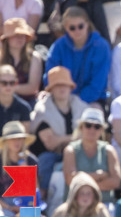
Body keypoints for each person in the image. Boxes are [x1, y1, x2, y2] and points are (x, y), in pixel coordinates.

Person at [32, 67, 88, 196]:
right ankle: (43, 195)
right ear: (51, 89)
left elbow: (89, 137)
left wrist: (61, 139)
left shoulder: (81, 106)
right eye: (57, 85)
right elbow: (51, 143)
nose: (62, 88)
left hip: (77, 152)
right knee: (46, 159)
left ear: (70, 87)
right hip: (51, 154)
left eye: (65, 84)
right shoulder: (42, 110)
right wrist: (75, 137)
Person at [44, 7, 111, 105]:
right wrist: (66, 100)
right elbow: (50, 78)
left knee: (94, 111)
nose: (77, 30)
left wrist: (75, 102)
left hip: (92, 100)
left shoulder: (101, 46)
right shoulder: (58, 46)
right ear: (65, 28)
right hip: (61, 99)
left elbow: (97, 85)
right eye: (72, 28)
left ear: (87, 24)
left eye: (80, 26)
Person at [61, 106, 121, 207]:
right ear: (81, 127)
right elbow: (70, 179)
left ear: (101, 130)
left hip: (103, 205)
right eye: (88, 125)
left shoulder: (109, 150)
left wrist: (82, 183)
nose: (92, 129)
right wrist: (99, 175)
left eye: (97, 126)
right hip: (75, 206)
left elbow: (116, 181)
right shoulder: (71, 150)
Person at [0, 121, 39, 216]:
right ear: (6, 141)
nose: (17, 142)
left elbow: (36, 193)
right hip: (3, 205)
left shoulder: (31, 161)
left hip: (26, 204)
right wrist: (10, 208)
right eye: (12, 139)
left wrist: (26, 174)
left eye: (19, 138)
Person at [0, 18, 43, 104]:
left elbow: (33, 88)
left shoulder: (34, 57)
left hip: (29, 102)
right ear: (7, 39)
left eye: (23, 35)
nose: (20, 38)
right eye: (15, 35)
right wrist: (13, 88)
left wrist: (7, 87)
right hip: (3, 102)